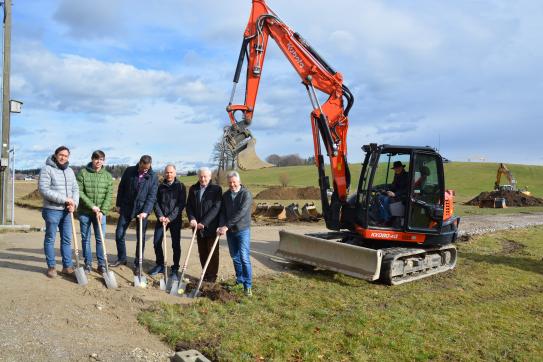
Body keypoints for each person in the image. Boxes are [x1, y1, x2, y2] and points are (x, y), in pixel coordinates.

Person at [112, 155, 158, 274]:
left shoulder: (153, 176)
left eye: (147, 169)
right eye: (143, 168)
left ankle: (138, 263)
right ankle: (122, 258)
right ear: (139, 163)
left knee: (140, 238)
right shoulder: (129, 171)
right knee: (119, 234)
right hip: (127, 206)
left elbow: (152, 196)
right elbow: (121, 188)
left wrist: (146, 211)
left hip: (142, 210)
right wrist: (118, 204)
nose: (144, 170)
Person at [38, 146, 79, 278]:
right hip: (52, 210)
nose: (63, 157)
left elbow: (75, 189)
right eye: (61, 155)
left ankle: (67, 267)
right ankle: (51, 267)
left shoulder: (70, 171)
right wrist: (65, 199)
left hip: (67, 211)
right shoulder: (47, 169)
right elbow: (44, 190)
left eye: (66, 156)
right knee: (50, 238)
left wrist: (74, 203)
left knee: (67, 239)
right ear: (55, 155)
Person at [76, 150, 113, 274]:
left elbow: (109, 195)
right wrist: (92, 206)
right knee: (85, 238)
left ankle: (101, 264)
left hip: (100, 214)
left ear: (104, 161)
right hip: (85, 212)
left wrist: (103, 211)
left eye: (101, 159)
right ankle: (88, 263)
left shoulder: (107, 176)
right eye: (96, 159)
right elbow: (79, 192)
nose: (98, 161)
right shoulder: (83, 173)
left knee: (99, 238)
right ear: (92, 159)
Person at [217, 171, 253, 296]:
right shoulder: (226, 195)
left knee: (244, 257)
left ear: (239, 182)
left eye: (234, 182)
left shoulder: (246, 194)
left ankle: (247, 286)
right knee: (235, 257)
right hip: (230, 232)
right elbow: (222, 212)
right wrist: (221, 225)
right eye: (230, 183)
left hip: (242, 230)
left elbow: (241, 213)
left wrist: (226, 226)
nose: (232, 185)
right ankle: (239, 280)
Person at [150, 164, 186, 279]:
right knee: (156, 242)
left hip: (175, 220)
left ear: (175, 173)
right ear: (164, 173)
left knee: (175, 245)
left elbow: (180, 205)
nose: (169, 174)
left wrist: (170, 217)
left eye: (171, 172)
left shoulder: (180, 186)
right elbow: (156, 203)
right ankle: (160, 264)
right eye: (167, 172)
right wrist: (160, 216)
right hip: (161, 220)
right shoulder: (160, 187)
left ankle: (175, 268)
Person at [186, 167, 222, 282]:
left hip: (211, 227)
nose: (202, 179)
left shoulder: (216, 189)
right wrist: (192, 219)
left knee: (212, 253)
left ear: (210, 177)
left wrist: (204, 222)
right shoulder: (193, 189)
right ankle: (205, 275)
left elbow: (216, 208)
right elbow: (189, 206)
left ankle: (212, 278)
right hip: (197, 227)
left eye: (205, 176)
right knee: (202, 252)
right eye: (201, 176)